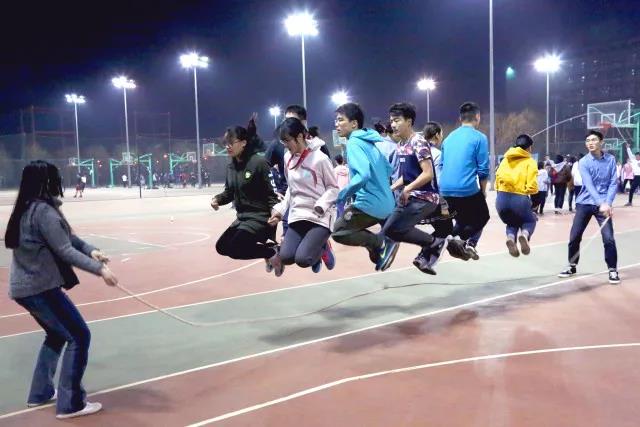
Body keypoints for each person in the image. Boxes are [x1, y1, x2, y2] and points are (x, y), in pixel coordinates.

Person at [4, 161, 118, 419]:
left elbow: (69, 239)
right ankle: (71, 404)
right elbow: (65, 250)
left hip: (25, 288)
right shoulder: (43, 211)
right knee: (79, 335)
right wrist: (100, 270)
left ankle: (40, 392)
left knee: (56, 335)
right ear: (47, 182)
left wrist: (91, 250)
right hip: (39, 288)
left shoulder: (27, 208)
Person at [267, 118, 338, 276]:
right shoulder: (287, 158)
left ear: (300, 136)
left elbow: (334, 188)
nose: (285, 145)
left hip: (319, 216)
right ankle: (315, 245)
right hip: (298, 215)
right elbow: (291, 189)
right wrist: (279, 211)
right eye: (283, 141)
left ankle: (323, 246)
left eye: (287, 140)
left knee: (303, 259)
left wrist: (321, 205)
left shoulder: (320, 159)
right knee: (286, 257)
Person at [331, 103, 398, 270]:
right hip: (388, 203)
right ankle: (378, 247)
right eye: (336, 120)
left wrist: (342, 195)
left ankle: (379, 242)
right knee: (375, 256)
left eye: (340, 120)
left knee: (338, 231)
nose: (336, 124)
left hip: (371, 204)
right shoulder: (371, 143)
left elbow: (363, 175)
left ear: (354, 124)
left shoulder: (353, 143)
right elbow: (388, 170)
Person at [383, 103, 446, 274]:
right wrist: (391, 188)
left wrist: (407, 189)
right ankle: (435, 244)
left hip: (426, 197)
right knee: (389, 230)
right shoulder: (401, 145)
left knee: (396, 229)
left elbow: (428, 174)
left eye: (397, 120)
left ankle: (435, 243)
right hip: (411, 196)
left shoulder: (418, 142)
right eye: (391, 121)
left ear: (409, 121)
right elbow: (407, 176)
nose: (393, 124)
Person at [211, 116, 280, 264]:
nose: (228, 146)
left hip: (260, 218)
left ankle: (272, 252)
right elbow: (229, 192)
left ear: (243, 143)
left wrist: (276, 212)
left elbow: (272, 193)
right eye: (226, 143)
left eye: (231, 142)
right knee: (221, 247)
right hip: (242, 219)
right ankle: (270, 250)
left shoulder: (259, 163)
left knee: (235, 249)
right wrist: (217, 199)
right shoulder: (231, 166)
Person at [558, 131, 620, 284]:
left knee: (609, 238)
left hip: (604, 205)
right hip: (585, 203)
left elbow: (613, 182)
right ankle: (572, 266)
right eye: (587, 141)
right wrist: (601, 203)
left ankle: (612, 270)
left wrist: (608, 203)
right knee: (574, 236)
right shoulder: (583, 162)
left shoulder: (611, 160)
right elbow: (589, 184)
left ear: (601, 142)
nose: (590, 143)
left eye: (593, 140)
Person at [438, 101, 490, 260]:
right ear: (478, 117)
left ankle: (439, 246)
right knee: (482, 216)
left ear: (460, 118)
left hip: (445, 189)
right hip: (466, 189)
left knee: (462, 220)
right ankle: (456, 241)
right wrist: (483, 191)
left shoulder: (448, 138)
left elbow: (441, 165)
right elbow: (483, 170)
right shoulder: (480, 138)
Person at [495, 134, 539, 257]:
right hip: (519, 199)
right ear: (529, 147)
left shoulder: (505, 160)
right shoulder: (530, 162)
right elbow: (532, 187)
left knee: (511, 222)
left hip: (501, 199)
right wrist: (534, 205)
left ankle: (510, 237)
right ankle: (524, 235)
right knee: (530, 220)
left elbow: (497, 182)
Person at [623, 142, 640, 206]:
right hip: (636, 177)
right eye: (636, 156)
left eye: (638, 156)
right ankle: (630, 202)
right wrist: (628, 148)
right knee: (632, 189)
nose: (637, 157)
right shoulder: (633, 160)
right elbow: (630, 154)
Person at [334, 154, 350, 218]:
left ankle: (344, 221)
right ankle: (337, 221)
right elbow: (349, 180)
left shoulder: (335, 170)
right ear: (343, 161)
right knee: (340, 207)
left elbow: (334, 181)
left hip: (338, 191)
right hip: (346, 190)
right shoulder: (347, 170)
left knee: (340, 208)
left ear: (336, 161)